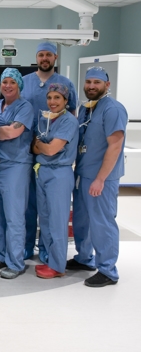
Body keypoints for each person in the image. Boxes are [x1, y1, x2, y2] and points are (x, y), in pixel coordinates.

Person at [69, 67, 127, 287]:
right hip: (83, 173)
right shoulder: (86, 108)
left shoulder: (113, 109)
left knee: (102, 222)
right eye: (88, 82)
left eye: (97, 82)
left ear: (107, 85)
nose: (91, 86)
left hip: (102, 178)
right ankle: (84, 258)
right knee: (82, 220)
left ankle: (108, 270)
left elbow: (115, 146)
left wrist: (100, 179)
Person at [22, 42, 78, 260]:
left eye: (48, 54)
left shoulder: (65, 83)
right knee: (31, 205)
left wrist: (51, 145)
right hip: (28, 154)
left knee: (53, 213)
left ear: (55, 57)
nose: (44, 58)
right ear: (36, 57)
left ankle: (48, 251)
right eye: (41, 54)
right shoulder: (25, 82)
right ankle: (27, 246)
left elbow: (70, 116)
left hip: (55, 158)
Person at [31, 84, 78, 279]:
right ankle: (49, 258)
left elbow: (50, 149)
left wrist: (41, 145)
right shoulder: (45, 119)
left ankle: (58, 266)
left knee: (57, 221)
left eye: (57, 98)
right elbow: (34, 148)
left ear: (66, 101)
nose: (52, 102)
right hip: (42, 171)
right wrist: (43, 146)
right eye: (49, 97)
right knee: (45, 218)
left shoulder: (69, 121)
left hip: (59, 174)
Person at [0, 68, 34, 279]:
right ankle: (0, 255)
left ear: (19, 85)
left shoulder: (25, 107)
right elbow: (2, 131)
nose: (8, 85)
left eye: (12, 82)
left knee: (14, 216)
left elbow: (12, 132)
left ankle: (16, 262)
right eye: (4, 81)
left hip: (16, 166)